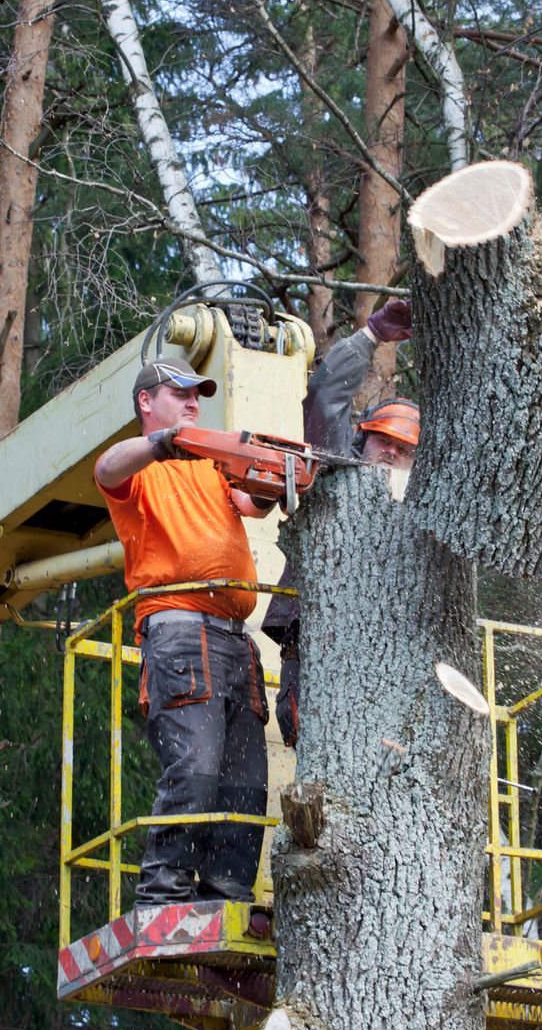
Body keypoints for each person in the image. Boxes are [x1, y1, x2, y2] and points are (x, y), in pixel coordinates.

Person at [94, 358, 276, 906]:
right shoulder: (140, 468)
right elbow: (105, 468)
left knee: (246, 779)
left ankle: (226, 891)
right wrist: (162, 443)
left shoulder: (212, 468)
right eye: (180, 392)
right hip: (178, 631)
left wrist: (270, 479)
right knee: (194, 767)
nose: (194, 400)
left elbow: (252, 504)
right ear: (147, 401)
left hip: (234, 637)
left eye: (198, 393)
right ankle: (162, 892)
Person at [260, 300, 418, 747]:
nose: (390, 453)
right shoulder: (334, 471)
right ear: (360, 438)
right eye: (383, 441)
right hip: (317, 649)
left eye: (403, 449)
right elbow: (326, 397)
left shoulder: (419, 514)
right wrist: (372, 337)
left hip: (384, 663)